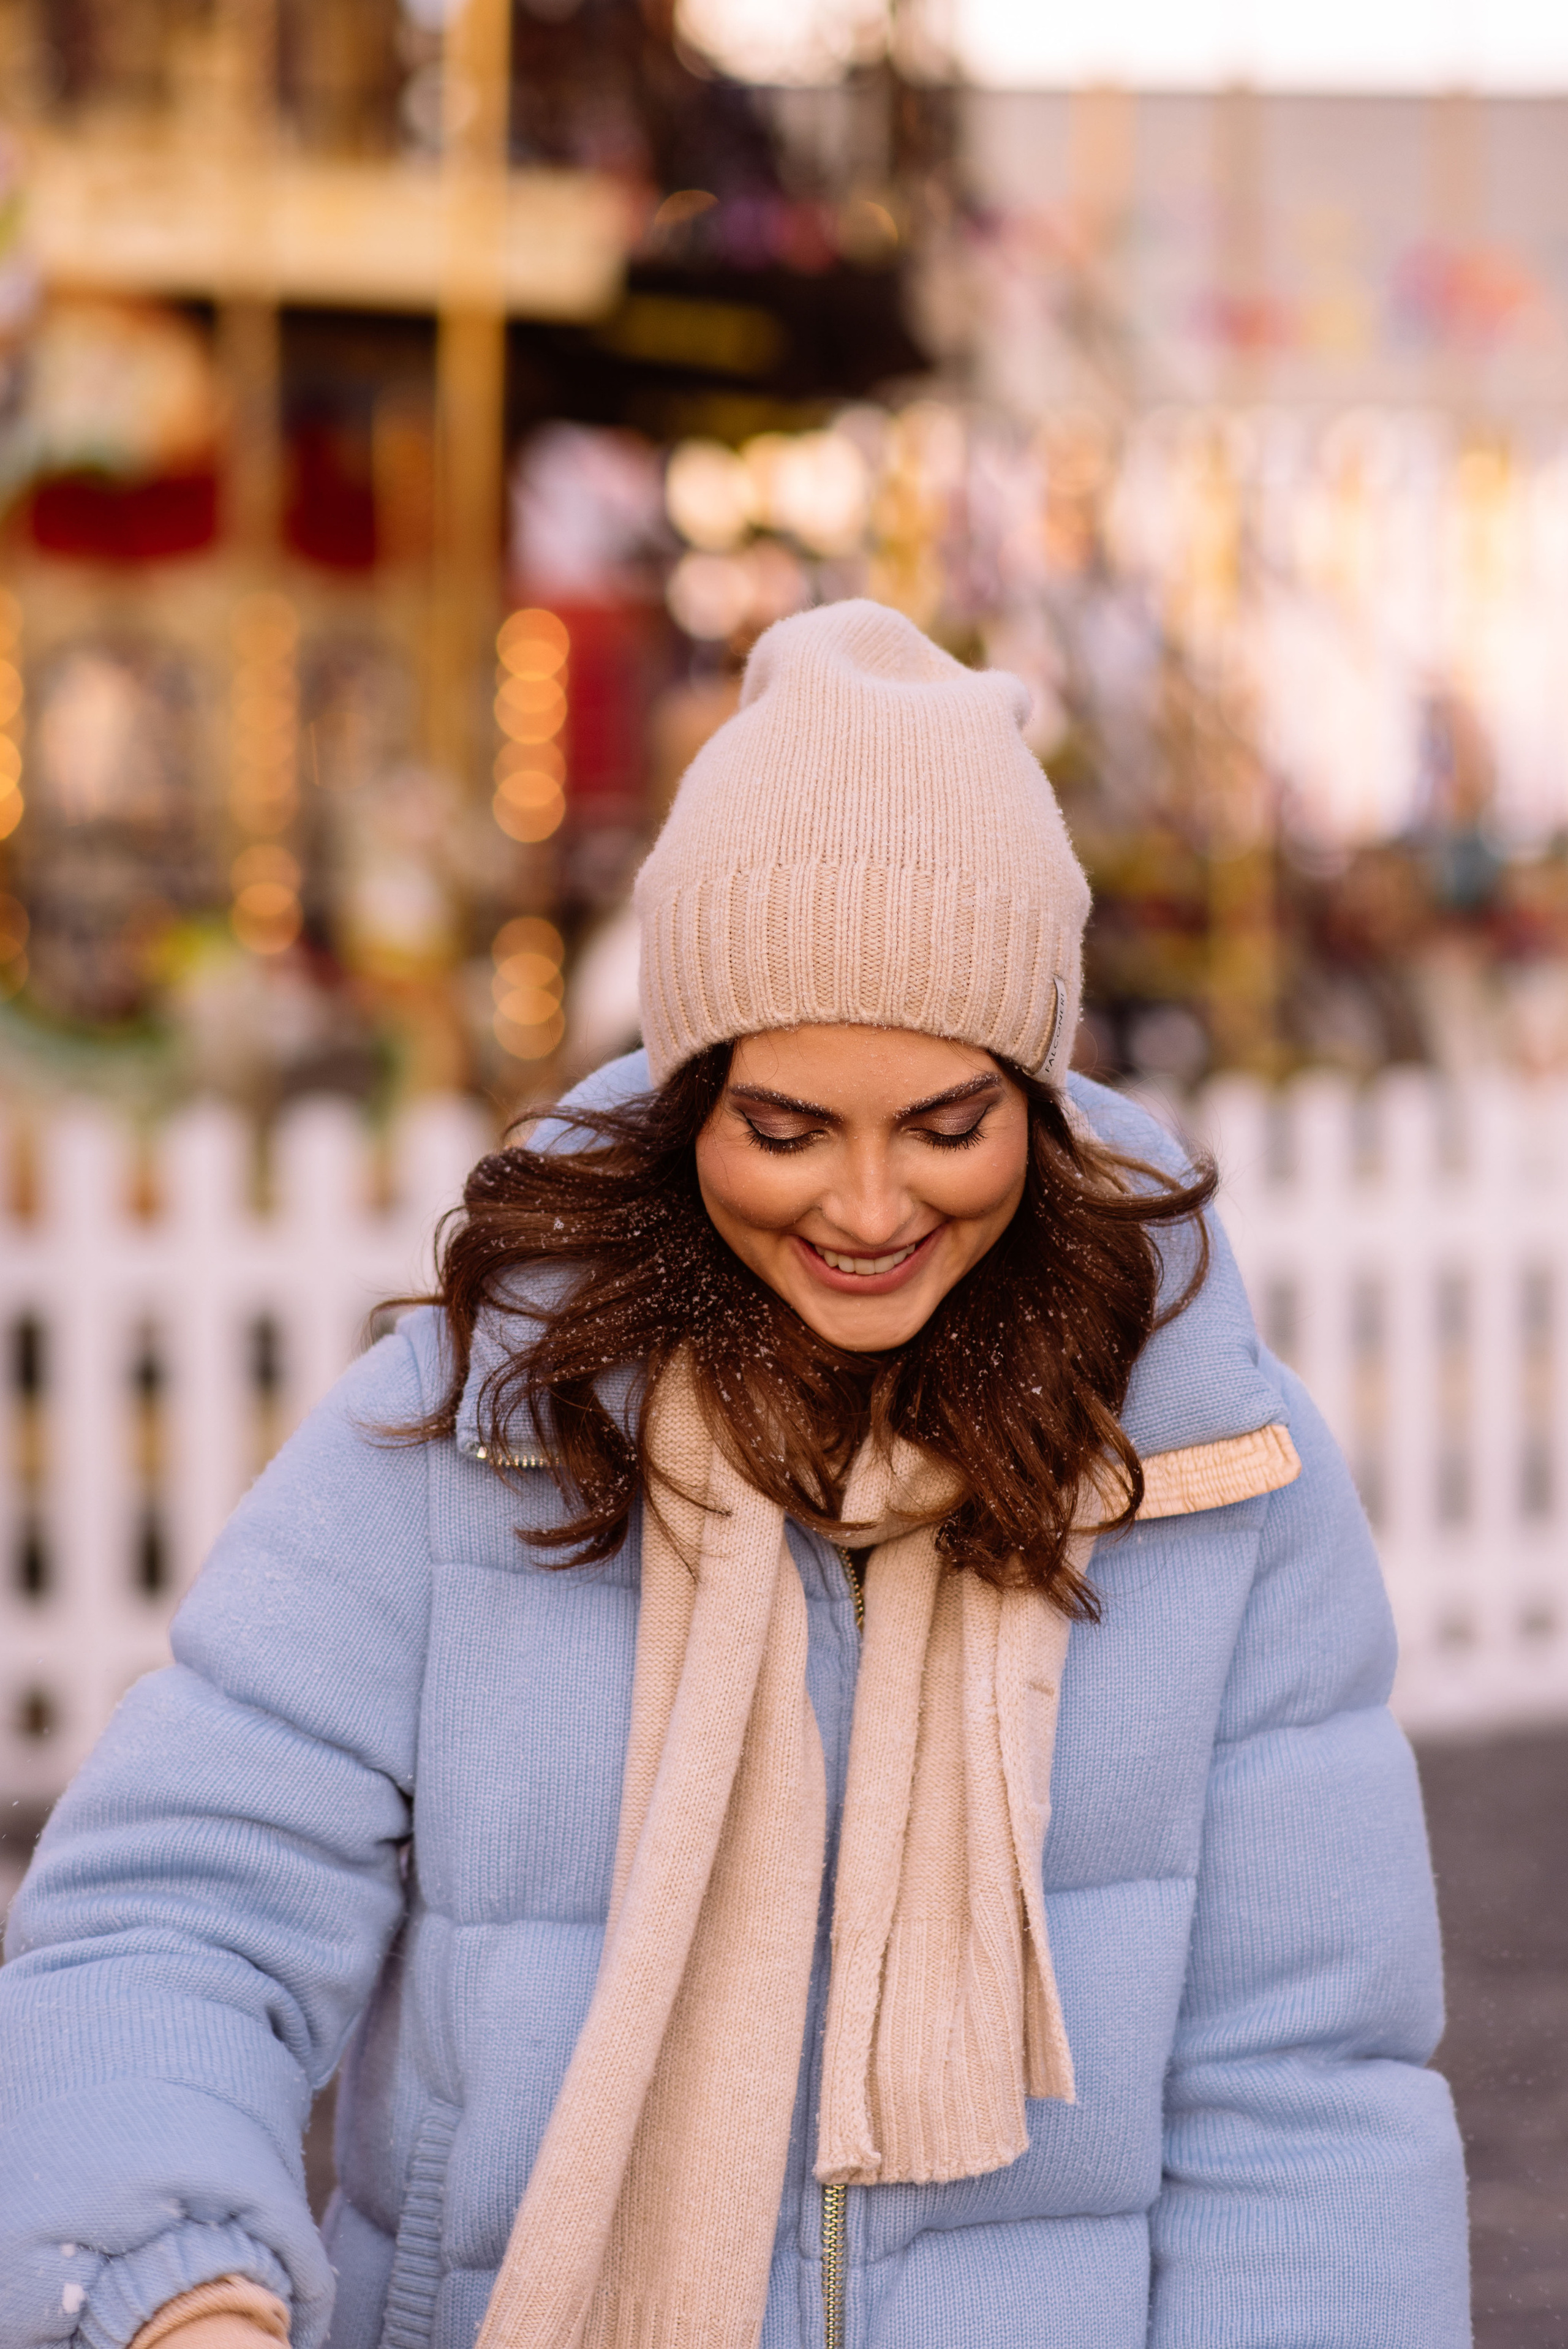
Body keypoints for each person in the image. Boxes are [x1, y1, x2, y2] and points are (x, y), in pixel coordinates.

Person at [0, 601, 1469, 2349]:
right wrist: (182, 2290)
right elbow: (171, 1919)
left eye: (946, 1126)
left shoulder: (1212, 1473)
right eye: (785, 1130)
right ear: (691, 1095)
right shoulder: (478, 1430)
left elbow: (1304, 2102)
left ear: (1042, 1102)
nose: (866, 1208)